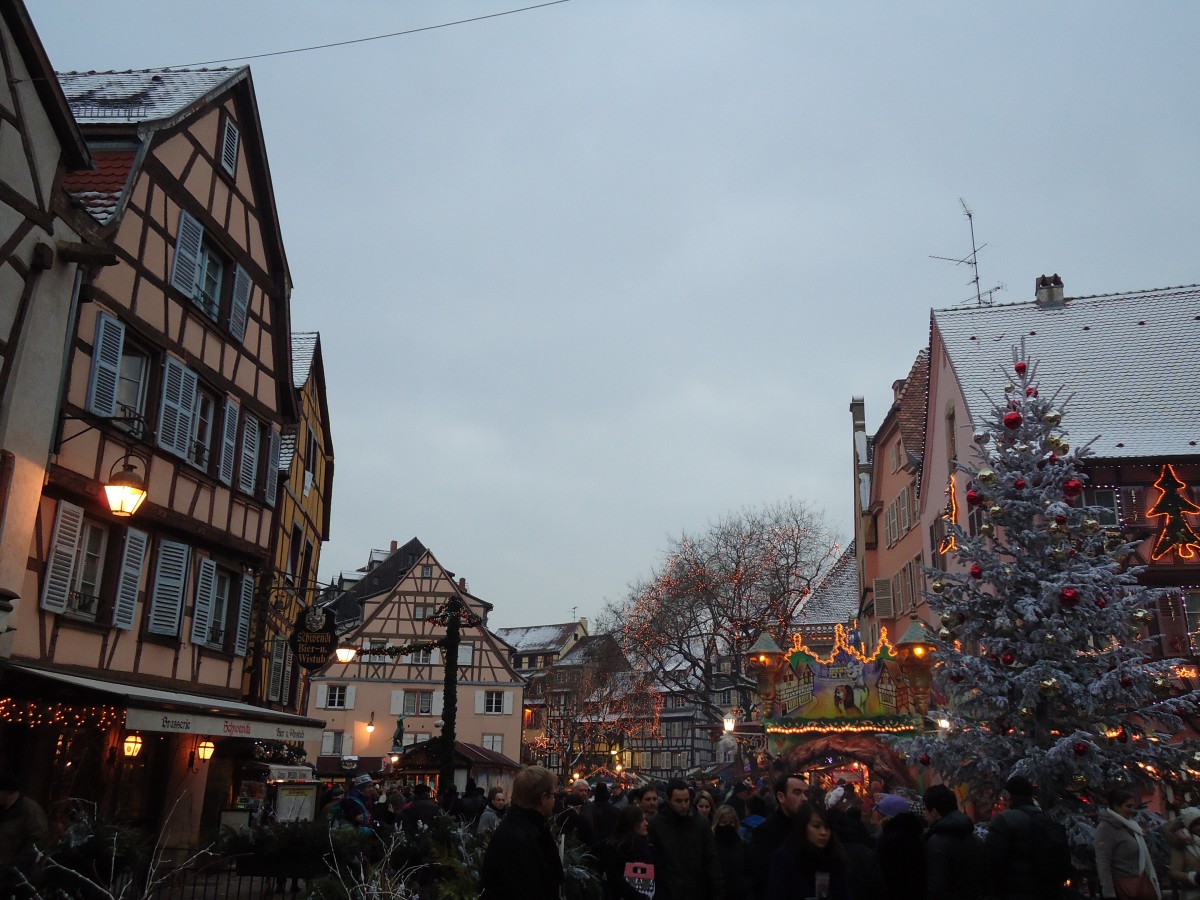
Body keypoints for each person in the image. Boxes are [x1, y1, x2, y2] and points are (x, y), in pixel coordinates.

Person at [481, 766, 563, 900]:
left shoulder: (529, 826)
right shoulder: (519, 837)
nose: (555, 800)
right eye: (553, 795)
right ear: (543, 798)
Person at [985, 774, 1072, 900]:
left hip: (1014, 891)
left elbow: (992, 862)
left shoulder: (1005, 820)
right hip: (1046, 892)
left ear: (1010, 796)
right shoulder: (1046, 820)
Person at [648, 777, 725, 900]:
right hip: (668, 892)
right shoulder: (656, 824)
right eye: (678, 801)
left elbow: (711, 860)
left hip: (697, 891)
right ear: (668, 800)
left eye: (686, 800)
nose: (683, 805)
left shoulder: (701, 823)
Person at [764, 804, 850, 900]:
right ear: (803, 827)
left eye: (827, 827)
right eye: (816, 826)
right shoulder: (785, 858)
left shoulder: (835, 858)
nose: (823, 832)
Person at [1095, 786, 1161, 900]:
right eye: (1128, 806)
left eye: (1133, 806)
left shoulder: (1130, 825)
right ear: (1116, 806)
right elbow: (1103, 863)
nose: (1132, 810)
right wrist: (1109, 894)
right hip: (1125, 888)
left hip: (1140, 884)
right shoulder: (1105, 828)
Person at [748, 774, 808, 899]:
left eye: (806, 793)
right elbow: (762, 879)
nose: (804, 798)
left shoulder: (810, 829)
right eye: (797, 793)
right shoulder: (765, 833)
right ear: (781, 797)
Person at [922, 784, 985, 900]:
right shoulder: (973, 837)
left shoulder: (937, 842)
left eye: (925, 810)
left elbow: (937, 888)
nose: (924, 815)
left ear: (934, 812)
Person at [0, 773, 47, 894]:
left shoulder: (30, 811)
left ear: (6, 792)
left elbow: (36, 844)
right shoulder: (4, 809)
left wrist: (12, 866)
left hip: (16, 877)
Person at [873, 792, 926, 900]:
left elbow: (881, 875)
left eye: (879, 815)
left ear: (885, 818)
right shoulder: (917, 835)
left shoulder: (886, 840)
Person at [602, 804, 657, 900]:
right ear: (632, 823)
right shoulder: (617, 849)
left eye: (645, 819)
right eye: (641, 820)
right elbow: (616, 880)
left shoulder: (648, 846)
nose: (646, 823)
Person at [713, 804, 751, 900]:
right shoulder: (710, 845)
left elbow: (748, 870)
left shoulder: (743, 845)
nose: (728, 826)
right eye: (724, 823)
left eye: (731, 822)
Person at [1162, 807, 1200, 899]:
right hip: (1192, 894)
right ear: (1189, 826)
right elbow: (1174, 872)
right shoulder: (1181, 845)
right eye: (1196, 824)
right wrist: (1194, 877)